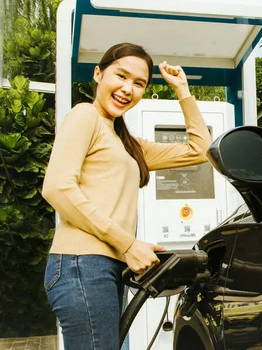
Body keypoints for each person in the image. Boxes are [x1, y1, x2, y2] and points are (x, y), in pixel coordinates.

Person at [41, 43, 212, 349]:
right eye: (120, 76)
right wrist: (128, 244)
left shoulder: (127, 143)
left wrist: (182, 90)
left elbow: (200, 150)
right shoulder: (85, 116)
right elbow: (57, 187)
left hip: (106, 267)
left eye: (138, 83)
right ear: (98, 73)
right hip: (83, 264)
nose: (127, 89)